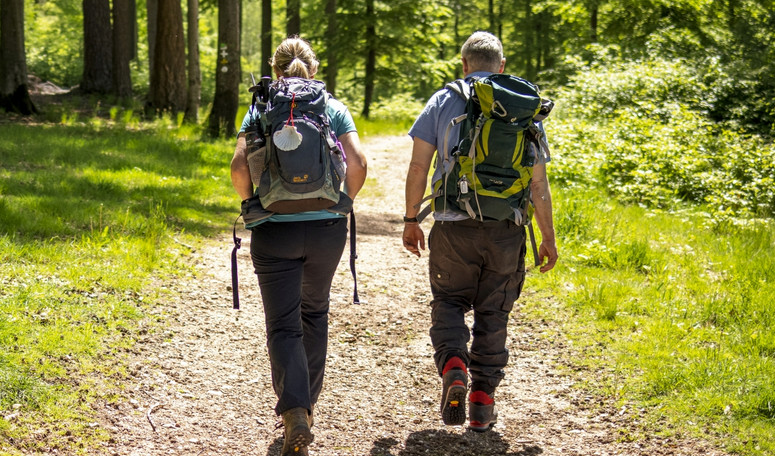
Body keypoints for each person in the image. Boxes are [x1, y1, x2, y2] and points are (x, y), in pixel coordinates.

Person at [402, 31, 558, 432]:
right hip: (507, 229)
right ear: (501, 66)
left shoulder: (444, 99)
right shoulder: (524, 107)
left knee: (449, 300)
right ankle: (482, 401)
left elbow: (419, 166)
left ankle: (454, 364)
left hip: (454, 227)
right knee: (495, 310)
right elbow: (539, 185)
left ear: (464, 63)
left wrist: (409, 220)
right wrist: (547, 238)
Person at [229, 37, 368, 456]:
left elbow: (239, 167)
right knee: (316, 313)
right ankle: (306, 406)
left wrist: (250, 203)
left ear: (274, 71)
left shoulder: (261, 106)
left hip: (274, 230)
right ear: (313, 67)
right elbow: (359, 164)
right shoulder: (332, 106)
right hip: (327, 228)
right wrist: (344, 202)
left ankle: (294, 411)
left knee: (283, 324)